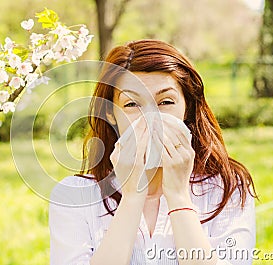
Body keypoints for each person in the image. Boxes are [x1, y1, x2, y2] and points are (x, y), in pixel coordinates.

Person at [49, 39, 257, 265]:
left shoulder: (226, 188)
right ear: (110, 114)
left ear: (187, 107)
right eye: (132, 104)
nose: (151, 119)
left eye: (165, 102)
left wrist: (179, 197)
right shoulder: (73, 196)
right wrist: (132, 197)